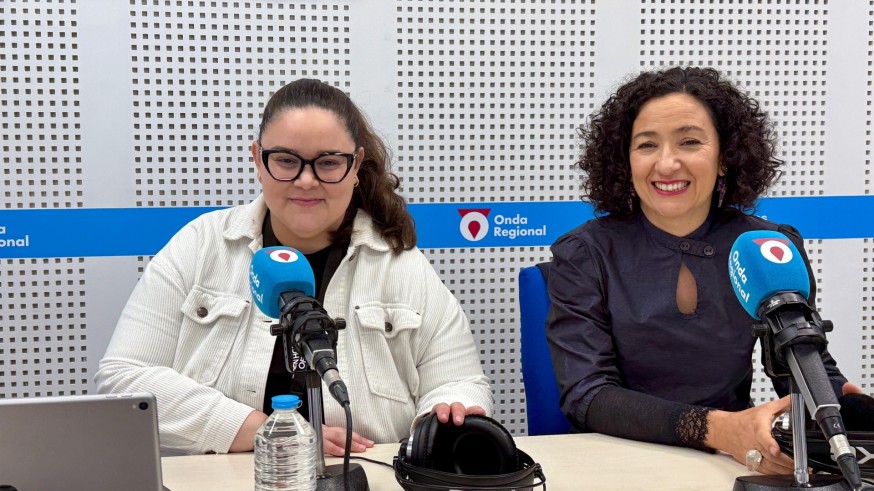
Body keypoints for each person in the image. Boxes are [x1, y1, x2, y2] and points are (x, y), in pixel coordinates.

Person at [95, 78, 493, 456]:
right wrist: (262, 431)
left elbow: (460, 382)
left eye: (328, 162)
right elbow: (123, 382)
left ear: (355, 166)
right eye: (286, 161)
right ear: (257, 158)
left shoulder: (400, 265)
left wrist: (445, 415)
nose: (306, 181)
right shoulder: (200, 246)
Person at [546, 65, 863, 475]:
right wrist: (718, 429)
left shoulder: (769, 248)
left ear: (725, 158)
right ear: (625, 160)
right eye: (646, 145)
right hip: (614, 458)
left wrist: (844, 407)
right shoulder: (585, 253)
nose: (666, 163)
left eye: (690, 142)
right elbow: (587, 395)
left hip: (735, 460)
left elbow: (797, 365)